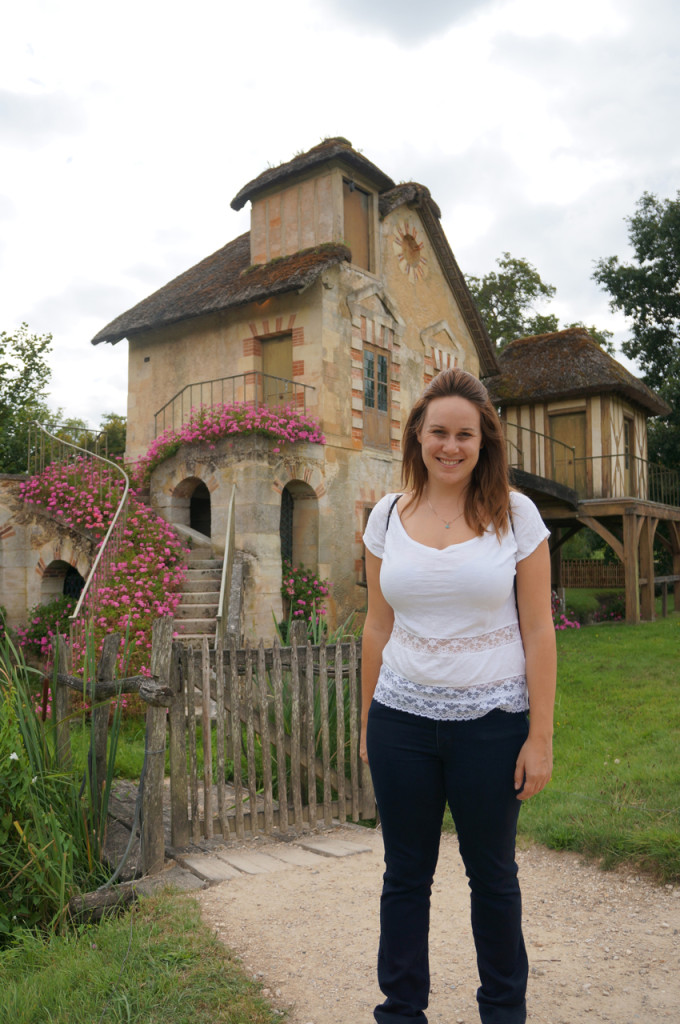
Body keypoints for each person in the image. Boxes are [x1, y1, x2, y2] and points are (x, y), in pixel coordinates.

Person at [361, 368, 556, 1024]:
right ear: (417, 434)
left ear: (483, 442)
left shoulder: (516, 514)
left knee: (493, 878)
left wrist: (540, 736)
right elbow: (376, 625)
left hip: (494, 723)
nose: (450, 445)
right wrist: (367, 724)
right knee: (405, 878)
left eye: (464, 434)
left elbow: (538, 629)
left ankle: (504, 1013)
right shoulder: (385, 517)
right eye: (438, 431)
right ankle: (401, 1012)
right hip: (401, 723)